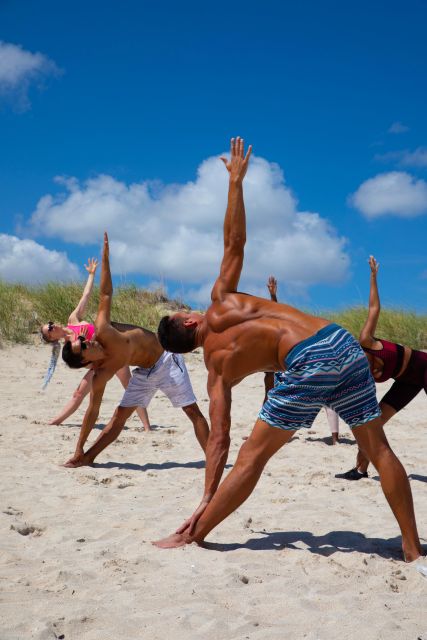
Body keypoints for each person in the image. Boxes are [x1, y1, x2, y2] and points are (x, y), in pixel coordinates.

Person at [153, 136, 424, 570]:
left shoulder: (217, 371)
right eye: (183, 311)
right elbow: (235, 242)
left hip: (308, 361)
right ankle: (411, 548)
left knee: (253, 457)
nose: (188, 309)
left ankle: (193, 532)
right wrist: (236, 183)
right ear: (188, 322)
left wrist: (206, 494)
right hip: (340, 341)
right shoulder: (222, 299)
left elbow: (219, 440)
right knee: (378, 449)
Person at [62, 232, 209, 468]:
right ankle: (86, 457)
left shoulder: (103, 329)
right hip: (144, 374)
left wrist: (106, 258)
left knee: (192, 411)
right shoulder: (102, 374)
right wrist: (78, 446)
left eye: (84, 340)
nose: (88, 341)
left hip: (166, 361)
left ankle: (214, 459)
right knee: (119, 417)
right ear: (84, 361)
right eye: (85, 346)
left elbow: (106, 293)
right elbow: (92, 411)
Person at [337, 256, 427, 480]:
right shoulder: (358, 374)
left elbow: (374, 308)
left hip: (424, 367)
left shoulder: (366, 341)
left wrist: (373, 277)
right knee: (373, 424)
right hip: (406, 382)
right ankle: (360, 470)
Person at [40, 258, 150, 431]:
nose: (53, 326)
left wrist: (91, 274)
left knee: (129, 386)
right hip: (98, 364)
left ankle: (147, 427)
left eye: (51, 324)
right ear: (53, 338)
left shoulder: (73, 320)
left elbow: (86, 296)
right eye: (50, 330)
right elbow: (82, 363)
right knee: (78, 394)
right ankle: (55, 421)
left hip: (113, 351)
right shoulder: (70, 349)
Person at [266, 276, 340, 445]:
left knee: (326, 400)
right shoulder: (294, 329)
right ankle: (334, 439)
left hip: (305, 365)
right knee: (281, 398)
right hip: (295, 364)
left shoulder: (307, 332)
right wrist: (273, 296)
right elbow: (278, 317)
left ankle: (335, 438)